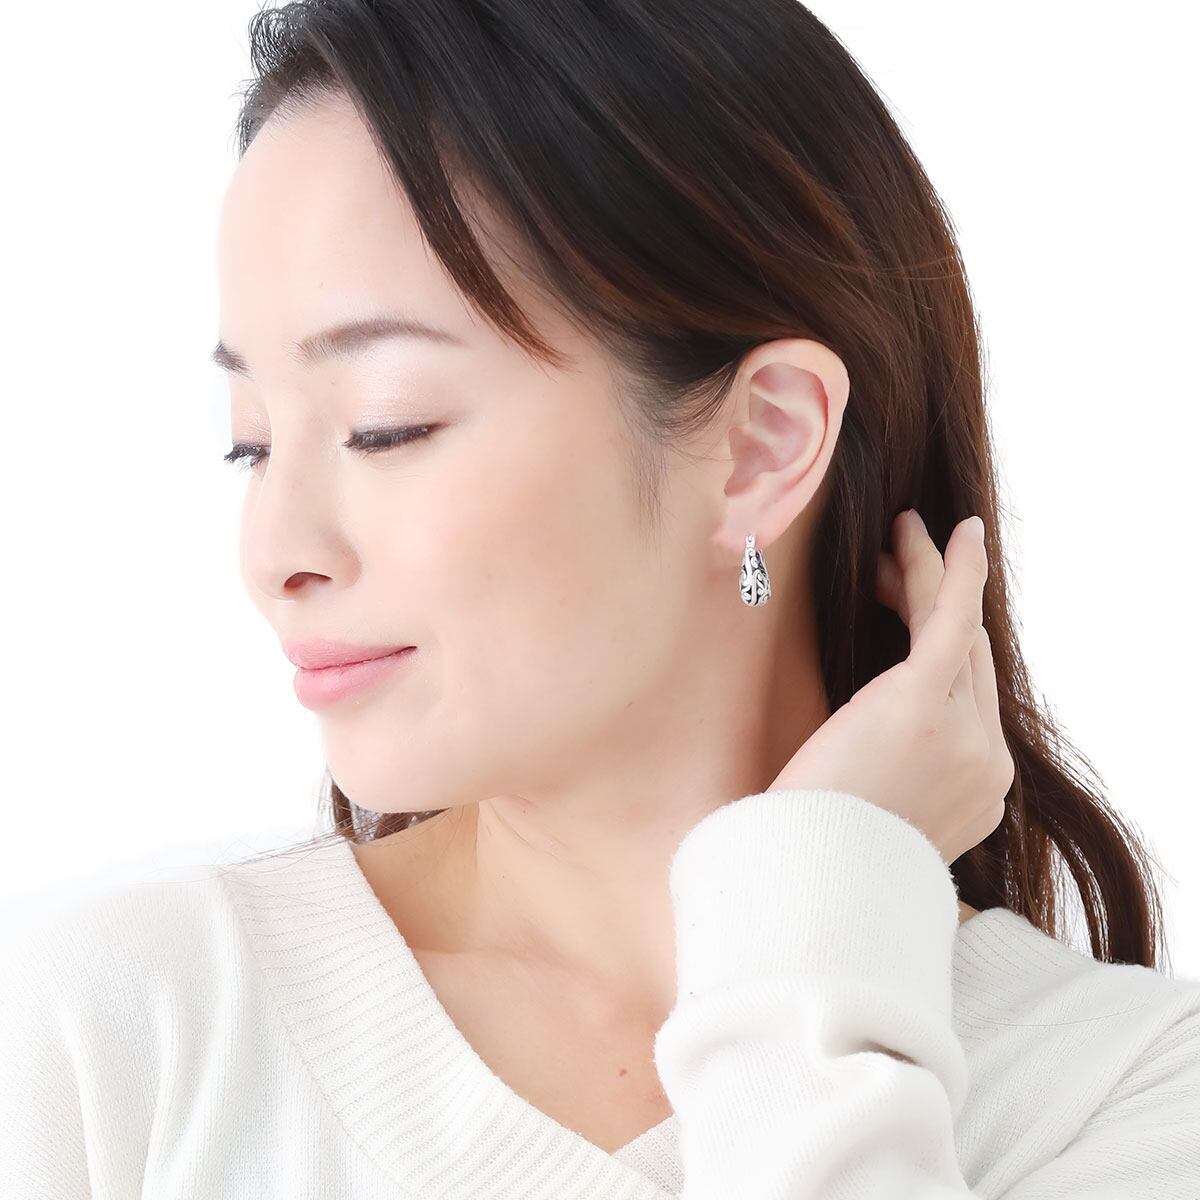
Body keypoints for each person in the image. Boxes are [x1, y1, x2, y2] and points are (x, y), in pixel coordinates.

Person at [2, 1, 1197, 1196]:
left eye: (385, 425)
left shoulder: (1121, 1093)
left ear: (763, 445)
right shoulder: (114, 1040)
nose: (273, 553)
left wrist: (813, 909)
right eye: (253, 443)